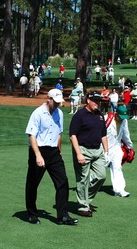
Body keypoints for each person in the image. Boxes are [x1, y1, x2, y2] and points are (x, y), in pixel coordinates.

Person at [25, 88, 78, 225]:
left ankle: (63, 215)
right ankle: (32, 214)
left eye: (59, 102)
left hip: (54, 152)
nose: (58, 104)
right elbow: (32, 136)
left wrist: (58, 151)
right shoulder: (37, 113)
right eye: (55, 102)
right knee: (33, 183)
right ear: (48, 99)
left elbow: (59, 134)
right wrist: (38, 155)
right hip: (39, 150)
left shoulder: (59, 113)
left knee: (63, 182)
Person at [69, 91, 108, 217]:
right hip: (83, 149)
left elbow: (103, 135)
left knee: (101, 176)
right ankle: (82, 207)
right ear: (88, 101)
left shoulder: (100, 115)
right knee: (82, 179)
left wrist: (106, 151)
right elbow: (73, 135)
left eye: (99, 100)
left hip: (97, 150)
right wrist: (78, 153)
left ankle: (86, 199)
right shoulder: (80, 115)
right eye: (95, 100)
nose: (98, 103)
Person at [105, 105, 133, 197]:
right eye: (120, 117)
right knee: (99, 170)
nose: (122, 119)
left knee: (117, 168)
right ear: (116, 113)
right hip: (104, 149)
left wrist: (130, 147)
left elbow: (126, 133)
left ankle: (119, 190)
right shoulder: (106, 119)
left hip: (116, 148)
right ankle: (87, 186)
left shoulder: (124, 120)